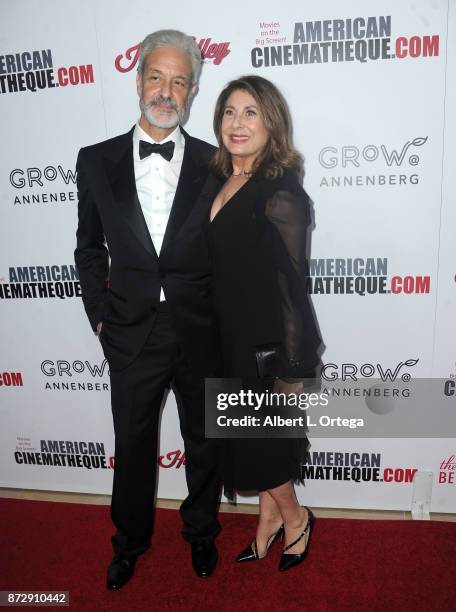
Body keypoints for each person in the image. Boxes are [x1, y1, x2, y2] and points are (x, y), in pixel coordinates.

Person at [74, 30, 222, 590]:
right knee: (132, 447)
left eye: (179, 80)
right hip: (131, 330)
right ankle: (129, 542)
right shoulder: (95, 161)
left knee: (205, 441)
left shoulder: (217, 163)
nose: (166, 90)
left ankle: (202, 532)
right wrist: (99, 315)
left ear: (192, 91)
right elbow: (88, 249)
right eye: (156, 77)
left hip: (200, 328)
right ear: (138, 81)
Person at [204, 75, 322, 571]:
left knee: (260, 445)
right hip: (224, 336)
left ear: (271, 122)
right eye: (230, 112)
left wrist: (292, 367)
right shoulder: (218, 180)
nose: (238, 123)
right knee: (252, 442)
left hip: (265, 343)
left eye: (251, 112)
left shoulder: (281, 191)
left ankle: (295, 519)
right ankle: (267, 520)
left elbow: (294, 285)